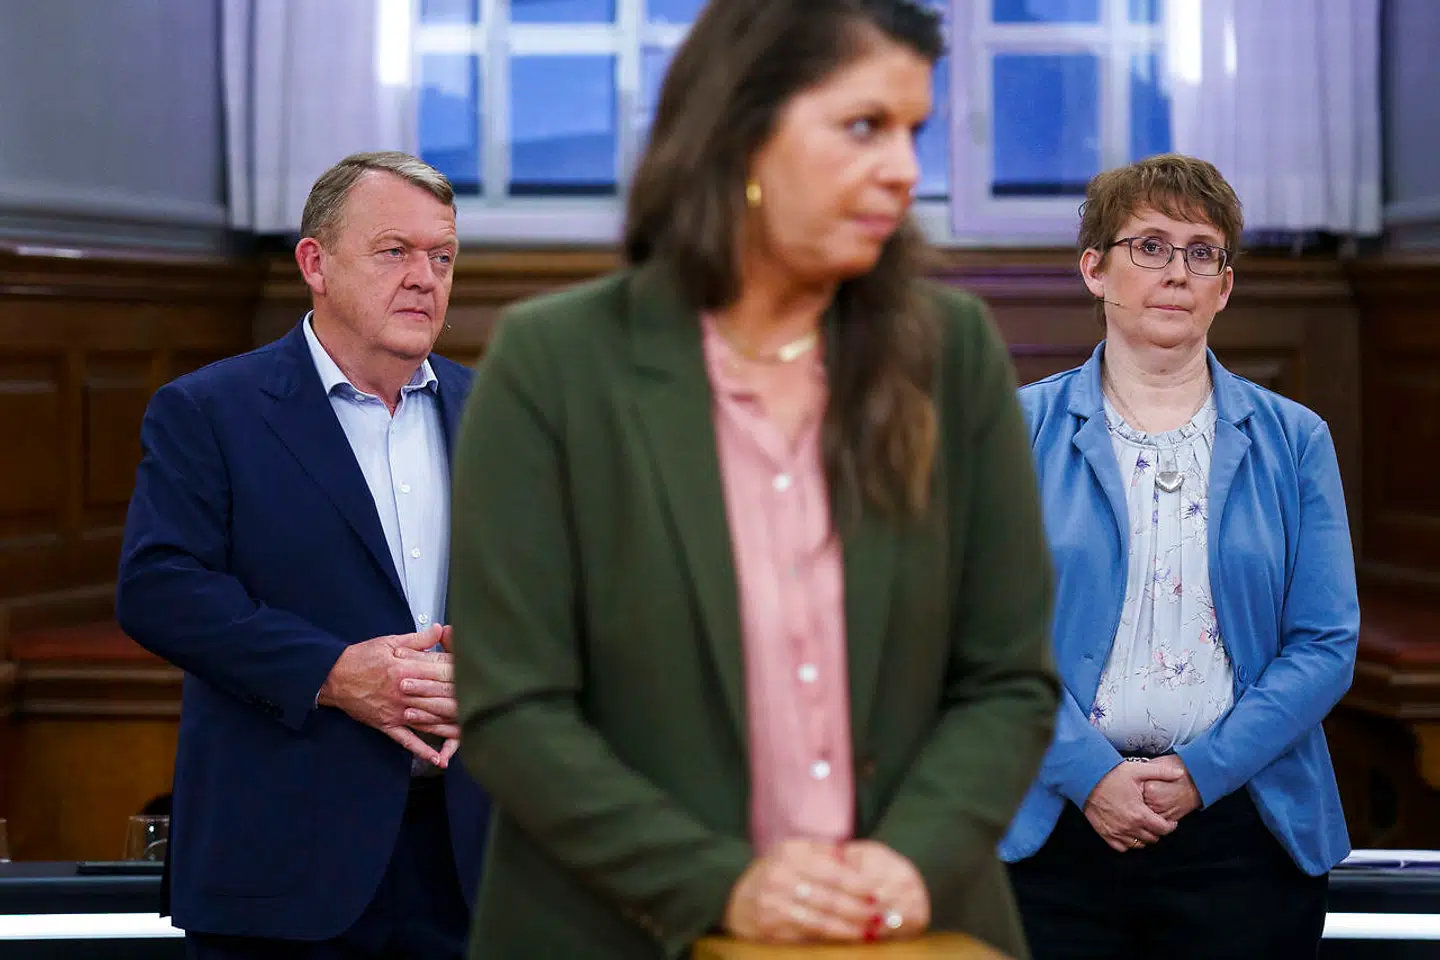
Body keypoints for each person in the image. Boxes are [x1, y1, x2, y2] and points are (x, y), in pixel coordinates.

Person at [445, 2, 1059, 958]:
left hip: (911, 932)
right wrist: (721, 885)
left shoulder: (952, 353)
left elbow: (1008, 677)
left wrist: (912, 859)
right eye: (865, 126)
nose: (905, 169)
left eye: (915, 131)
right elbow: (512, 710)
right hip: (615, 931)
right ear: (740, 131)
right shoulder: (552, 364)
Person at [117, 151, 490, 959]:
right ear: (315, 264)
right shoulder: (209, 410)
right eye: (394, 251)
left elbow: (570, 597)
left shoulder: (497, 413)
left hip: (471, 866)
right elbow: (159, 587)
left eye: (443, 256)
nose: (424, 278)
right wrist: (333, 672)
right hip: (284, 863)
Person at [1000, 154, 1360, 959]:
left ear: (1223, 287)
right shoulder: (1015, 432)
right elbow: (976, 637)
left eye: (1202, 253)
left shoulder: (1296, 439)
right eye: (1151, 246)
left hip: (1244, 826)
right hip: (1051, 819)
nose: (1177, 272)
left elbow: (1326, 645)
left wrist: (1202, 772)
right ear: (1095, 270)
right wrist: (1089, 773)